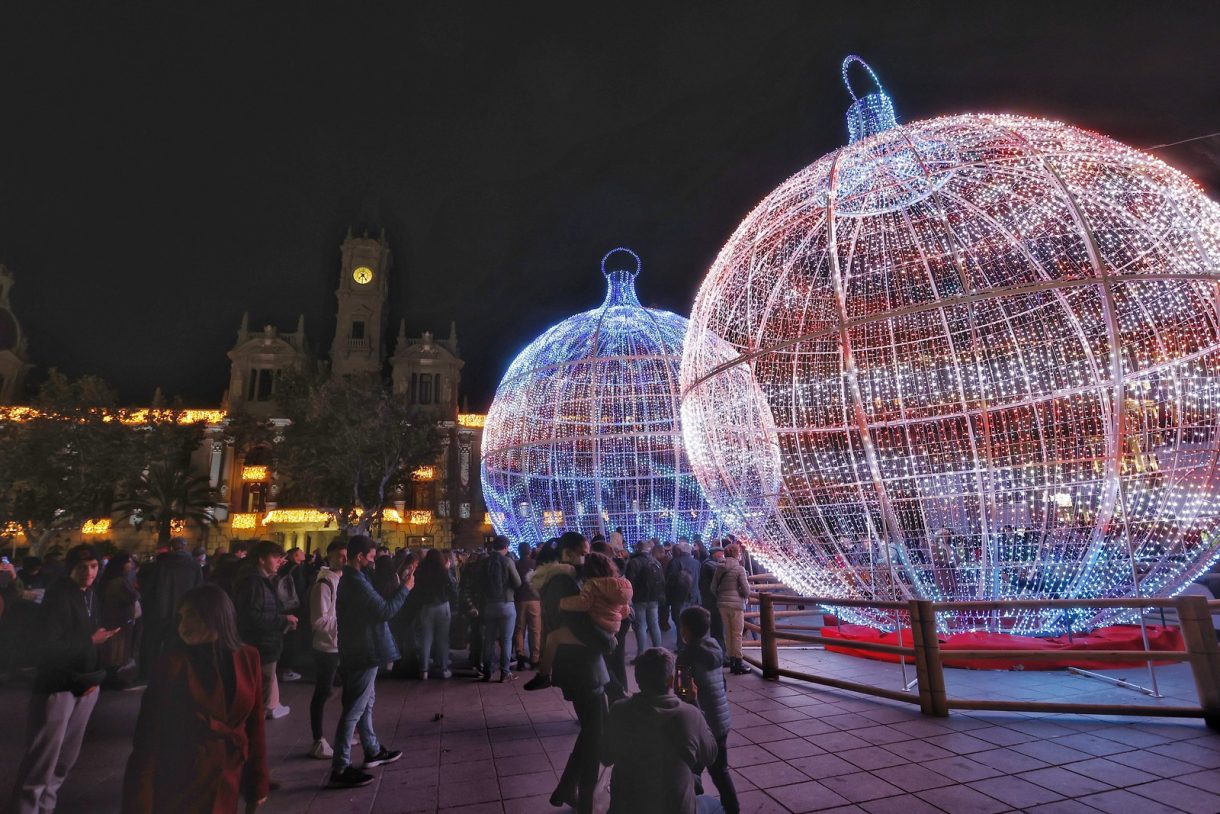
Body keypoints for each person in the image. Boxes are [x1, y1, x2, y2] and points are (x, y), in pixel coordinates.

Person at [121, 584, 269, 814]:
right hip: (182, 778)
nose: (183, 625)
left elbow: (255, 725)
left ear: (217, 617)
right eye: (181, 616)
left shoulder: (248, 657)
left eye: (192, 615)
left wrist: (257, 783)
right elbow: (148, 737)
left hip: (227, 776)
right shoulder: (172, 664)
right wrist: (139, 803)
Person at [10, 544, 118, 814]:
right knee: (43, 760)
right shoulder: (59, 596)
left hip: (85, 685)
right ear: (71, 568)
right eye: (82, 567)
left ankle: (45, 808)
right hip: (57, 686)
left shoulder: (92, 595)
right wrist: (91, 641)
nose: (89, 572)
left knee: (64, 760)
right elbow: (48, 645)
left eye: (93, 566)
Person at [328, 535, 410, 789]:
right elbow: (384, 610)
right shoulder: (354, 581)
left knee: (365, 703)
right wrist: (406, 588)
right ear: (360, 557)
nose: (374, 561)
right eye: (372, 557)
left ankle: (372, 750)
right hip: (362, 649)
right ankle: (340, 767)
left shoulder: (357, 579)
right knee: (354, 708)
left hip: (362, 647)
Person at [538, 532, 612, 814]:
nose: (585, 557)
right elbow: (578, 622)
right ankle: (582, 796)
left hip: (584, 664)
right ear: (567, 553)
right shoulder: (563, 581)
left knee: (595, 731)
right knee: (595, 735)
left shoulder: (563, 579)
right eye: (582, 552)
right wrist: (606, 639)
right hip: (581, 666)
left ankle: (569, 788)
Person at [601, 647, 720, 814]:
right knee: (717, 806)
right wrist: (694, 702)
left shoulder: (619, 710)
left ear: (637, 679)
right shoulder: (688, 714)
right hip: (675, 808)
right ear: (671, 681)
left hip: (627, 807)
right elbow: (711, 755)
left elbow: (606, 758)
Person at [524, 552, 631, 691]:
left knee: (553, 638)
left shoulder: (592, 584)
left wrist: (562, 603)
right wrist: (612, 617)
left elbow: (583, 603)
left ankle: (543, 675)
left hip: (595, 627)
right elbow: (625, 611)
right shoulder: (620, 585)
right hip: (610, 629)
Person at [677, 606, 739, 814]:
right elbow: (720, 683)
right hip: (721, 721)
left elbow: (682, 691)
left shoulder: (686, 657)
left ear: (685, 630)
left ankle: (694, 807)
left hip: (699, 723)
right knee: (720, 770)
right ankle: (733, 809)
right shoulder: (714, 648)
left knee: (690, 770)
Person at [233, 541, 298, 719]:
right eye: (276, 557)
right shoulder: (253, 583)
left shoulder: (260, 580)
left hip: (265, 643)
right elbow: (252, 616)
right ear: (262, 560)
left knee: (263, 685)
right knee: (260, 689)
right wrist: (282, 620)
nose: (279, 561)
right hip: (261, 643)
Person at [139, 537, 202, 678]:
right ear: (185, 546)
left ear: (172, 547)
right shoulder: (193, 565)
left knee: (154, 643)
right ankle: (174, 673)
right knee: (178, 644)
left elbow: (150, 588)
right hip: (184, 611)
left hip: (160, 610)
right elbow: (199, 588)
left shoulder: (161, 564)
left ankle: (150, 672)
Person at [307, 540, 346, 760]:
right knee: (322, 692)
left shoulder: (342, 580)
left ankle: (345, 732)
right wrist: (345, 623)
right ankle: (318, 739)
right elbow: (318, 621)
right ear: (329, 556)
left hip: (340, 644)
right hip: (326, 647)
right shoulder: (324, 584)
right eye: (339, 555)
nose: (343, 559)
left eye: (346, 556)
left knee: (345, 689)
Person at [480, 536, 521, 682]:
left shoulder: (484, 562)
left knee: (488, 640)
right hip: (507, 604)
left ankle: (487, 671)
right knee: (506, 640)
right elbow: (518, 582)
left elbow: (479, 584)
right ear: (505, 547)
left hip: (489, 605)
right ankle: (505, 672)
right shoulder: (508, 561)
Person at [412, 549, 457, 680]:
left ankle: (424, 670)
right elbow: (453, 588)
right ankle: (443, 668)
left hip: (426, 606)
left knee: (426, 639)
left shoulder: (421, 572)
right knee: (443, 638)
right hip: (443, 605)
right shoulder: (443, 571)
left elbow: (416, 591)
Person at [97, 553, 140, 681]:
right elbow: (133, 596)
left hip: (117, 619)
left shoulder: (117, 579)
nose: (131, 565)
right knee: (117, 651)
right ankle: (114, 678)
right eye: (128, 562)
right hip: (118, 621)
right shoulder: (118, 582)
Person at [711, 543, 752, 675]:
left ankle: (731, 660)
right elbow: (746, 590)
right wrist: (743, 596)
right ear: (736, 554)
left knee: (728, 633)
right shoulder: (739, 569)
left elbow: (712, 588)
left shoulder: (719, 567)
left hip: (722, 604)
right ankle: (738, 662)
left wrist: (721, 596)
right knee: (737, 634)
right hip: (736, 605)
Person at [624, 539, 664, 657]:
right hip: (654, 598)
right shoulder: (655, 562)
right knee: (654, 624)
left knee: (641, 626)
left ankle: (640, 654)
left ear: (637, 549)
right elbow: (662, 580)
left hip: (639, 598)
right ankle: (659, 651)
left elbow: (630, 582)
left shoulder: (633, 562)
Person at [665, 542, 701, 651]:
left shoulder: (674, 562)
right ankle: (693, 644)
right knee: (692, 622)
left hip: (679, 597)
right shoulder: (696, 563)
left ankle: (682, 645)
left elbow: (669, 581)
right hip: (694, 596)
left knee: (680, 622)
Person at [512, 542, 540, 671]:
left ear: (519, 552)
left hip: (519, 600)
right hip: (534, 599)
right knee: (535, 630)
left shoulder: (515, 564)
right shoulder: (536, 564)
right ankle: (535, 658)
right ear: (529, 551)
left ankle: (520, 656)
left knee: (519, 629)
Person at [698, 546, 726, 652]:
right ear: (715, 554)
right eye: (721, 554)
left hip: (711, 601)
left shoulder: (708, 563)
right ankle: (721, 654)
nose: (722, 556)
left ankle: (719, 651)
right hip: (713, 602)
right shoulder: (710, 565)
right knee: (718, 629)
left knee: (717, 629)